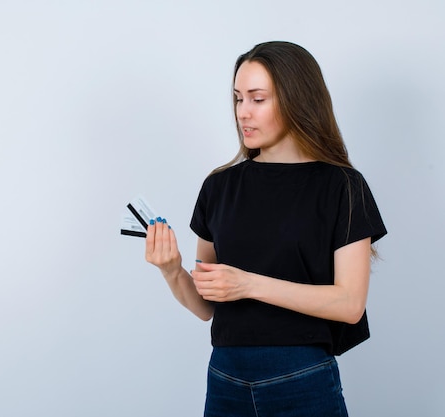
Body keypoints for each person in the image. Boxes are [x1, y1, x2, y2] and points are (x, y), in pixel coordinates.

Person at [144, 41, 387, 417]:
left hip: (302, 379)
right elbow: (206, 307)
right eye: (238, 99)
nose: (243, 113)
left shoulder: (341, 186)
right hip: (225, 378)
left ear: (296, 100)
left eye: (258, 99)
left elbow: (350, 304)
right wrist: (172, 270)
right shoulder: (219, 186)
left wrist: (249, 284)